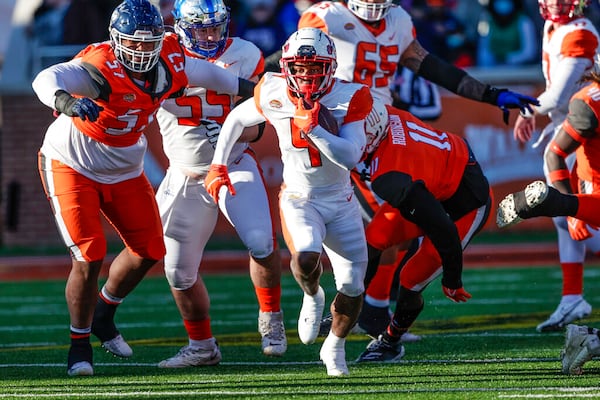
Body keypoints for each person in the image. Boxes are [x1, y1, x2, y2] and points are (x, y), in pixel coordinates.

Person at [31, 0, 254, 377]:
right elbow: (47, 77)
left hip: (123, 166)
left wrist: (255, 89)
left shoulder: (169, 58)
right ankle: (79, 344)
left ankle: (104, 312)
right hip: (72, 162)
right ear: (117, 41)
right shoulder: (100, 66)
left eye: (149, 43)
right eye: (133, 43)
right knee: (89, 254)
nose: (141, 51)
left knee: (151, 248)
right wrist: (65, 100)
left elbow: (208, 74)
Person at [292, 0, 537, 339]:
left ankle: (371, 310)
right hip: (341, 129)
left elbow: (433, 67)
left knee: (392, 228)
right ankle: (342, 305)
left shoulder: (399, 20)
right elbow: (293, 65)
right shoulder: (326, 17)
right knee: (374, 230)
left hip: (381, 128)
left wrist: (489, 94)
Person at [205, 27, 373, 376]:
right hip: (299, 197)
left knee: (354, 284)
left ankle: (335, 346)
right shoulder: (273, 88)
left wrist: (315, 129)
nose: (307, 75)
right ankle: (313, 296)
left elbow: (351, 156)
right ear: (287, 67)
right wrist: (218, 163)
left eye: (315, 68)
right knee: (305, 258)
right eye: (299, 68)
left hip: (341, 200)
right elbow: (237, 118)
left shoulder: (352, 95)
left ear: (330, 66)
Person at [153, 0, 286, 368]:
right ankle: (202, 346)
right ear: (179, 25)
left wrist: (234, 129)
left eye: (215, 26)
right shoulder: (161, 53)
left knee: (261, 241)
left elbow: (261, 121)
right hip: (184, 173)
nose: (210, 35)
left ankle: (271, 317)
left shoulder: (245, 53)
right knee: (178, 271)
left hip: (234, 163)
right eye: (201, 28)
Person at [353, 100, 492, 362]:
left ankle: (391, 341)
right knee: (372, 239)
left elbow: (442, 227)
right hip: (434, 184)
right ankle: (353, 306)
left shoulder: (389, 174)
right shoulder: (383, 114)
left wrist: (453, 279)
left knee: (411, 278)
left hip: (464, 204)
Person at [511, 0, 600, 333]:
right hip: (573, 129)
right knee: (566, 219)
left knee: (575, 217)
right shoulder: (553, 27)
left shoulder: (579, 34)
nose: (555, 3)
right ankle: (572, 296)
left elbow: (559, 97)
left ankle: (573, 296)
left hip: (585, 134)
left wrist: (525, 111)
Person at [476, 0, 538, 67]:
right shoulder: (487, 21)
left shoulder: (524, 22)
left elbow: (529, 53)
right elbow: (483, 50)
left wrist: (509, 59)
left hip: (519, 71)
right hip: (492, 71)